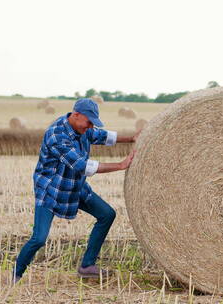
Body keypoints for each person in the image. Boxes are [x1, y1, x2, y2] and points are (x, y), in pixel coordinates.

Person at [13, 98, 137, 283]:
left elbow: (101, 136)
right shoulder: (57, 135)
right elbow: (81, 165)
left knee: (107, 214)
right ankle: (16, 274)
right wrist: (120, 165)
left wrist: (132, 138)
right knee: (39, 238)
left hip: (75, 187)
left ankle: (87, 266)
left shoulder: (82, 128)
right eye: (89, 122)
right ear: (76, 115)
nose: (90, 127)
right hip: (52, 191)